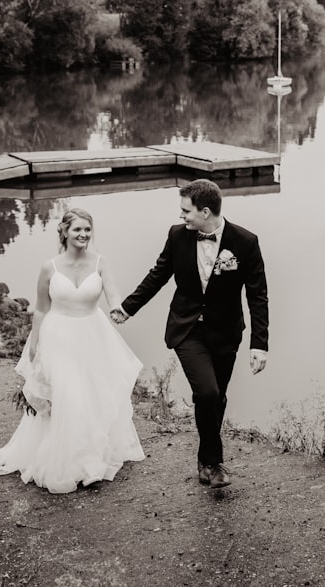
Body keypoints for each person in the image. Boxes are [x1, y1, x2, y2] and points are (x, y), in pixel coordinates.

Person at [111, 179, 268, 489]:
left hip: (225, 333)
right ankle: (215, 463)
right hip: (187, 328)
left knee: (217, 398)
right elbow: (158, 275)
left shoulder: (245, 242)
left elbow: (258, 295)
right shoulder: (177, 236)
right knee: (207, 393)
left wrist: (259, 345)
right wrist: (128, 307)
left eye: (186, 211)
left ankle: (204, 458)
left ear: (205, 211)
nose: (181, 216)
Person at [0, 208, 145, 493]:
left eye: (87, 230)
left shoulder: (101, 263)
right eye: (77, 230)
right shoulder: (50, 267)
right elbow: (42, 309)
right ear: (65, 232)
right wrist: (34, 345)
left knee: (92, 396)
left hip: (93, 335)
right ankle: (73, 462)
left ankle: (90, 460)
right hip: (58, 336)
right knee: (68, 396)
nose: (83, 235)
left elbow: (113, 294)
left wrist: (119, 308)